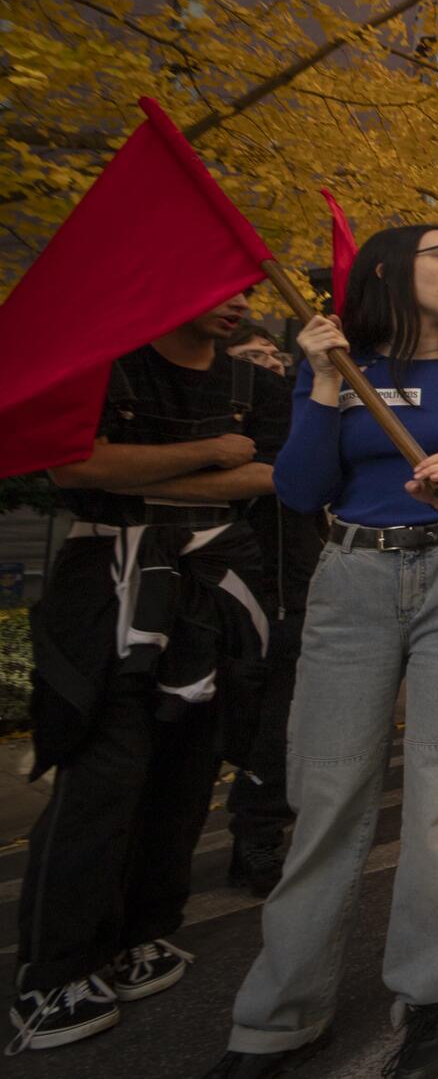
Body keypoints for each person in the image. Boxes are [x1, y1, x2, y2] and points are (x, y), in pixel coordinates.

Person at [207, 226, 438, 1077]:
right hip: (351, 581)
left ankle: (435, 996)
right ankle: (278, 1017)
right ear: (387, 268)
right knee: (327, 793)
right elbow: (299, 488)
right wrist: (320, 383)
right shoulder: (337, 367)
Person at [14, 295, 286, 1053]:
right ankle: (54, 969)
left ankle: (143, 932)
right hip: (110, 594)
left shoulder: (256, 387)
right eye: (220, 286)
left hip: (211, 598)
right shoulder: (106, 367)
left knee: (186, 774)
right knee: (102, 775)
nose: (238, 301)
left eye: (244, 287)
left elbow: (270, 476)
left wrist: (136, 472)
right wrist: (210, 452)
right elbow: (75, 464)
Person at [219, 328, 323, 900]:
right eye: (251, 358)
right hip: (220, 585)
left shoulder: (297, 410)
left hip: (295, 589)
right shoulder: (221, 412)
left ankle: (257, 835)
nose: (269, 365)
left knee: (279, 724)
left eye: (273, 356)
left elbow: (310, 477)